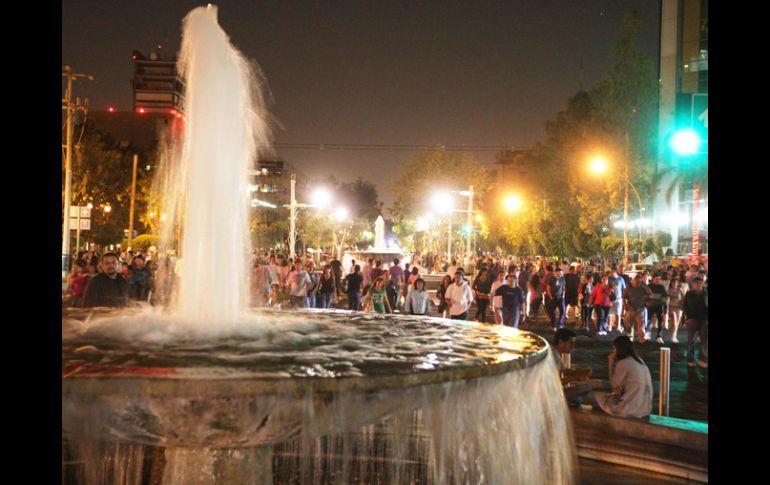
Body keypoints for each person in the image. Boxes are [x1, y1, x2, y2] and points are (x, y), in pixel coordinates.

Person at [586, 336, 652, 418]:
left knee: (589, 397)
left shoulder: (624, 363)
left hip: (629, 408)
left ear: (619, 349)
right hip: (644, 409)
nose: (613, 351)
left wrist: (610, 363)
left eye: (614, 348)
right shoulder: (640, 361)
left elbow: (614, 386)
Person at [552, 328, 593, 406]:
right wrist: (576, 377)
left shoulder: (555, 353)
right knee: (585, 387)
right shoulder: (554, 356)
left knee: (586, 387)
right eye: (570, 343)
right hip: (552, 395)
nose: (573, 346)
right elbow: (556, 382)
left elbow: (564, 371)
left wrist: (579, 372)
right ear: (560, 342)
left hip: (553, 392)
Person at [683, 277, 708, 368]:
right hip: (692, 319)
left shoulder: (705, 293)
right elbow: (685, 306)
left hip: (703, 319)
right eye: (697, 283)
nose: (698, 285)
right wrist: (687, 318)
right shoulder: (689, 294)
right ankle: (690, 359)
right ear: (693, 284)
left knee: (704, 341)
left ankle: (703, 359)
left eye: (700, 283)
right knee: (691, 340)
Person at [624, 275, 652, 343]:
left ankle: (641, 338)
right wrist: (625, 306)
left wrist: (644, 284)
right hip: (630, 309)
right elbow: (624, 298)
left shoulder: (643, 288)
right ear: (633, 281)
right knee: (629, 325)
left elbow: (650, 293)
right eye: (636, 281)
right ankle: (629, 338)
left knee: (641, 325)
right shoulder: (628, 289)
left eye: (639, 281)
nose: (637, 283)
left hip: (640, 309)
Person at [647, 274, 669, 344]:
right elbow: (645, 296)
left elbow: (665, 297)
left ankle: (659, 336)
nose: (657, 280)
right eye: (656, 278)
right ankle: (647, 335)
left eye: (658, 279)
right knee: (648, 321)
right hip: (650, 306)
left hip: (659, 306)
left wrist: (665, 308)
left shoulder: (661, 287)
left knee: (660, 322)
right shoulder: (649, 286)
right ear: (653, 279)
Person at [546, 267, 566, 331]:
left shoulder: (562, 279)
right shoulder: (551, 278)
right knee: (553, 312)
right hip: (553, 297)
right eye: (559, 272)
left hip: (560, 297)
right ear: (556, 272)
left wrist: (563, 295)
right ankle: (554, 325)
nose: (560, 274)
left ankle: (560, 324)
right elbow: (548, 288)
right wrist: (550, 296)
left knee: (562, 311)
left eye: (561, 272)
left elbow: (564, 287)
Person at [667, 276, 687, 344]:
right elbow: (666, 297)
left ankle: (673, 337)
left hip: (678, 308)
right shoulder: (668, 290)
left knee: (676, 324)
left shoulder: (680, 289)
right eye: (673, 282)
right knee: (674, 322)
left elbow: (684, 297)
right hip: (671, 307)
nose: (675, 283)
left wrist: (681, 301)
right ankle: (673, 336)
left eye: (676, 282)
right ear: (671, 283)